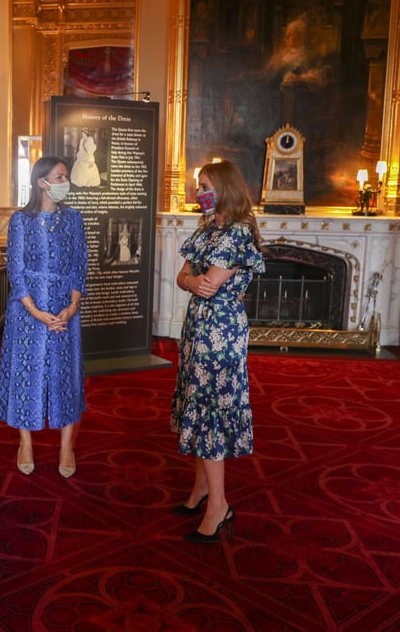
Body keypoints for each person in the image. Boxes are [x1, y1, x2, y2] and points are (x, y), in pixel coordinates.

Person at [170, 160, 265, 543]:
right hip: (198, 326)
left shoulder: (239, 231)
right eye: (199, 186)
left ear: (224, 188)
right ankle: (200, 489)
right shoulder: (207, 228)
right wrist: (193, 281)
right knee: (196, 403)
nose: (199, 193)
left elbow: (208, 282)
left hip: (221, 331)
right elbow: (183, 277)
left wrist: (194, 281)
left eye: (205, 186)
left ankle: (219, 506)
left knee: (210, 409)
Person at [0, 156, 88, 478]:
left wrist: (71, 307)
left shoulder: (74, 218)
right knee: (26, 372)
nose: (65, 183)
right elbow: (15, 269)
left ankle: (66, 446)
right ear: (41, 182)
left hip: (64, 308)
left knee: (65, 374)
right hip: (26, 311)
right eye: (60, 177)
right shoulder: (21, 220)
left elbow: (79, 265)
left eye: (66, 177)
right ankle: (25, 443)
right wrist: (34, 311)